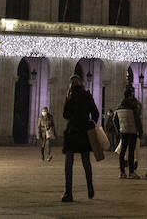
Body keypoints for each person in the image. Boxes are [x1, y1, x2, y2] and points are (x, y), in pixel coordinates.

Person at [62, 72, 99, 203]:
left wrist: (67, 100)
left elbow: (65, 115)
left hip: (72, 131)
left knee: (69, 162)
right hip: (84, 131)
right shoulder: (87, 95)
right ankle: (90, 187)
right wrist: (91, 124)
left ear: (71, 85)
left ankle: (68, 192)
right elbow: (95, 113)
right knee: (86, 161)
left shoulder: (70, 96)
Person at [115, 85, 143, 179]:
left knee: (122, 151)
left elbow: (115, 120)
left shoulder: (119, 107)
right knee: (131, 152)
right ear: (131, 95)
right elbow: (137, 120)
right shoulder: (133, 107)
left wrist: (119, 129)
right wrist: (140, 131)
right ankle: (131, 172)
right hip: (132, 131)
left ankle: (122, 172)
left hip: (123, 131)